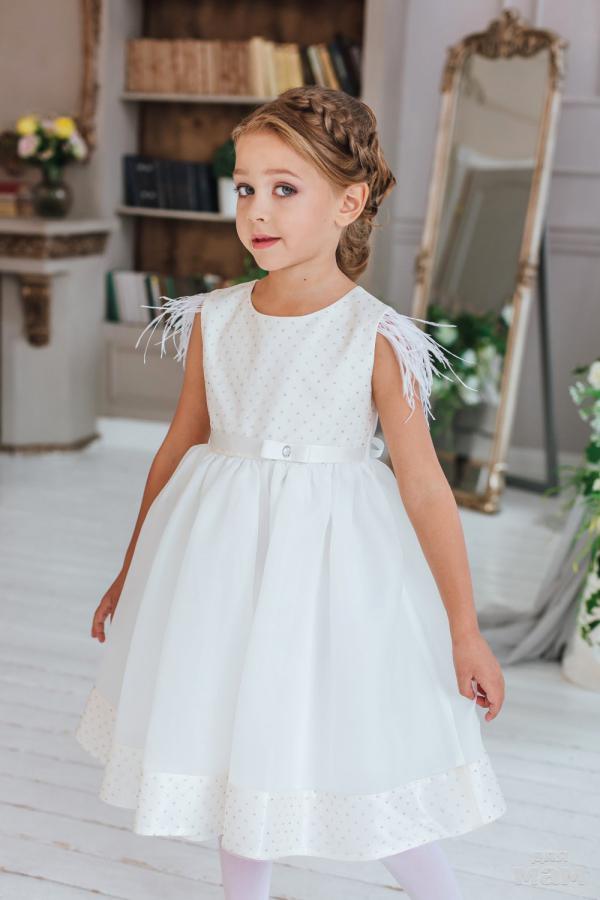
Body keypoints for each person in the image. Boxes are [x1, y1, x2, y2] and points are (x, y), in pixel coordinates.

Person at [74, 85, 507, 899]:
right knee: (231, 743)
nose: (258, 211)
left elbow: (423, 486)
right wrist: (131, 573)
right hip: (217, 567)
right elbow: (179, 445)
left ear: (348, 202)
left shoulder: (375, 335)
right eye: (245, 187)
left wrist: (464, 629)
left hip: (330, 575)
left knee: (354, 738)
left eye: (284, 188)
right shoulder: (215, 319)